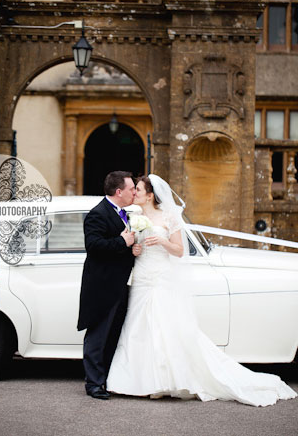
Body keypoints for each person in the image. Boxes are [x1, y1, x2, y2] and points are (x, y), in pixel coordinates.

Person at [106, 174, 297, 406]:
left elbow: (179, 251)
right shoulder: (135, 216)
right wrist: (135, 248)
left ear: (150, 194)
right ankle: (139, 379)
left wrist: (163, 242)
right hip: (142, 276)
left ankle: (165, 380)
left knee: (163, 326)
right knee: (138, 326)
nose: (133, 192)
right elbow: (133, 243)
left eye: (137, 189)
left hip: (161, 276)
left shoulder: (169, 217)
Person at [77, 171, 142, 400]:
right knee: (98, 335)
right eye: (132, 188)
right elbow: (93, 246)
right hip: (102, 287)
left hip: (120, 285)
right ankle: (93, 384)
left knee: (113, 334)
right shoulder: (97, 214)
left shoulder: (124, 213)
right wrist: (122, 242)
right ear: (119, 191)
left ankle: (104, 380)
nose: (135, 192)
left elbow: (121, 248)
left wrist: (132, 250)